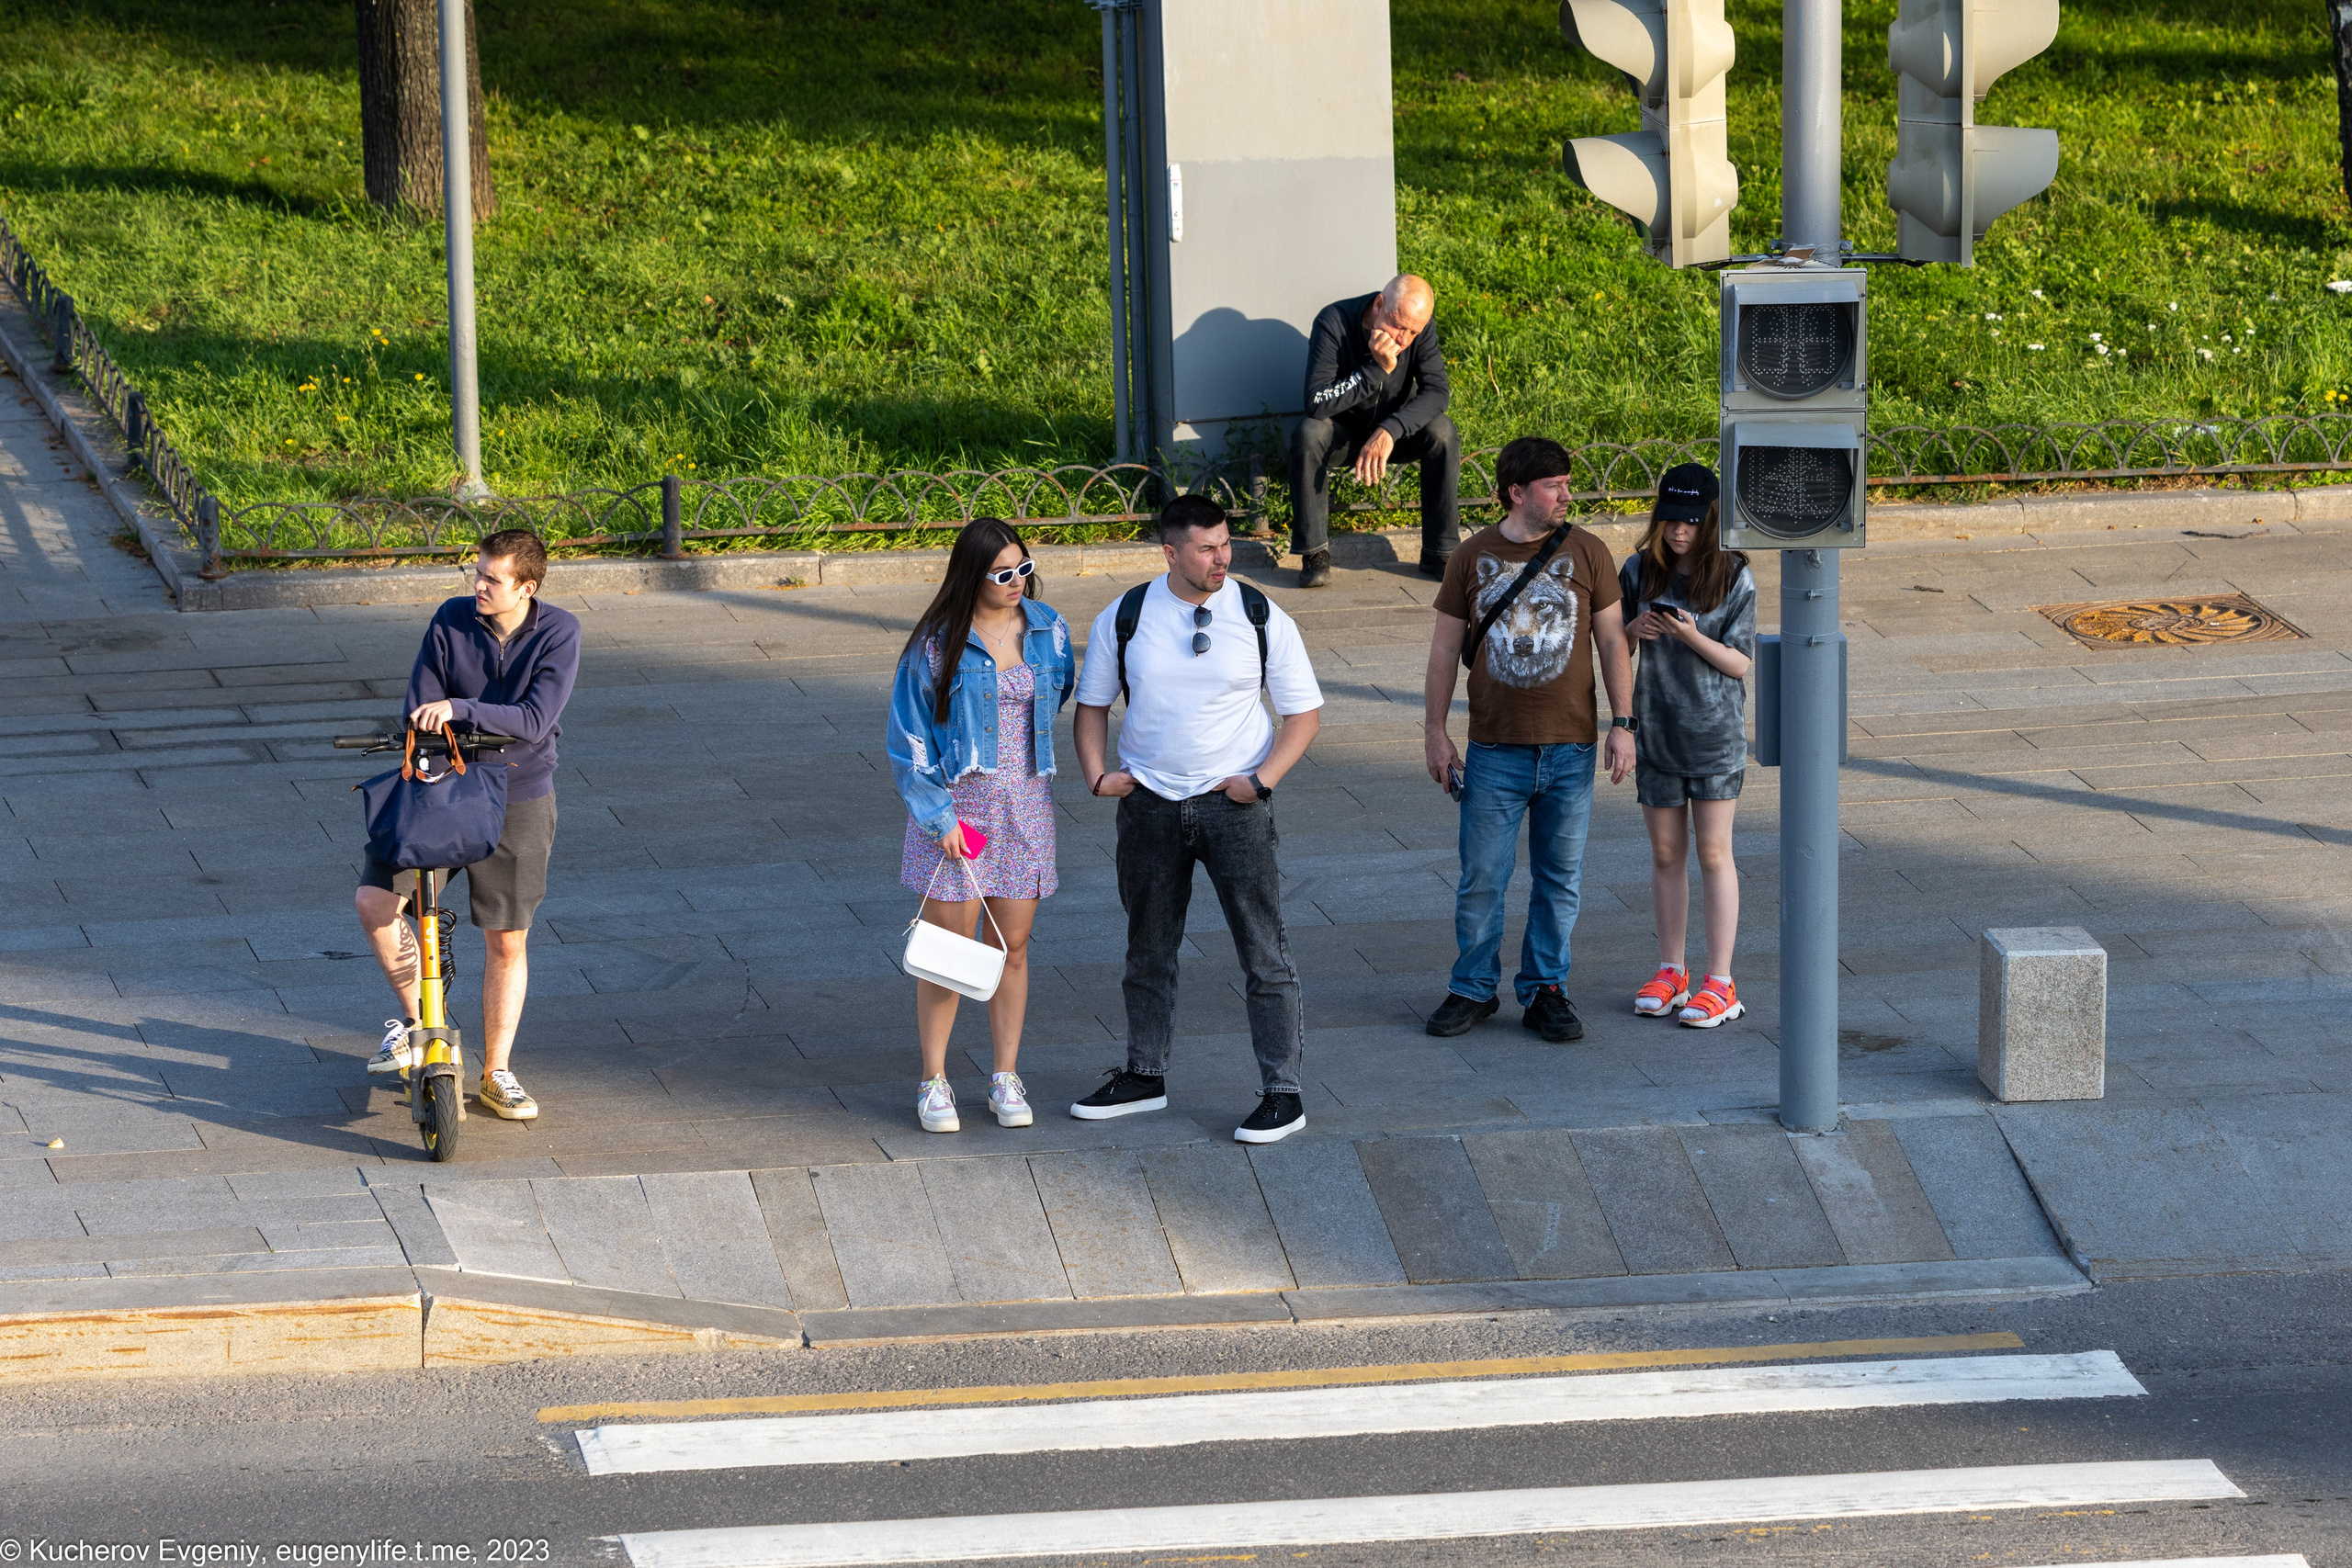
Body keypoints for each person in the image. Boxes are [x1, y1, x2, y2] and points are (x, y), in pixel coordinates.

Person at [1070, 493, 1324, 1143]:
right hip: (1149, 804)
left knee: (1264, 951)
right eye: (1207, 547)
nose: (1222, 557)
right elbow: (1092, 705)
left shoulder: (1260, 613)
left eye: (1226, 543)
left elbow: (1304, 715)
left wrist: (1260, 783)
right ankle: (1144, 1073)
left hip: (1233, 805)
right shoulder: (1126, 615)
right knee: (1147, 947)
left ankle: (1283, 1091)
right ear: (1170, 552)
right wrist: (1099, 775)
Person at [358, 529, 581, 1120]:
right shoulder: (452, 619)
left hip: (519, 794)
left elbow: (533, 720)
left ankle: (496, 1071)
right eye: (475, 573)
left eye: (491, 579)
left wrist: (461, 708)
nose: (476, 586)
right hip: (442, 787)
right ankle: (418, 1025)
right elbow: (420, 705)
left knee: (507, 939)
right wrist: (445, 724)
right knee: (376, 903)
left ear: (526, 588)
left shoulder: (559, 632)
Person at [1419, 436, 1634, 1043]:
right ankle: (1472, 988)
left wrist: (1624, 722)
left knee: (1559, 876)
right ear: (1516, 492)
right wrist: (1435, 733)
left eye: (1567, 483)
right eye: (1554, 485)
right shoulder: (1471, 556)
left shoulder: (1589, 551)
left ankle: (1546, 987)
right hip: (1494, 749)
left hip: (1571, 748)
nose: (1568, 494)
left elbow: (1613, 641)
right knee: (1482, 876)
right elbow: (1442, 652)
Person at [888, 519, 1077, 1134]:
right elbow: (907, 738)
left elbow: (1058, 693)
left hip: (1026, 807)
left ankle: (1004, 1073)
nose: (1017, 581)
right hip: (960, 813)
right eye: (1002, 574)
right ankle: (934, 1078)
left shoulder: (1049, 629)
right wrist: (938, 816)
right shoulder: (936, 644)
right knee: (951, 953)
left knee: (1012, 946)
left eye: (1023, 568)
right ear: (973, 575)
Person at [1620, 465, 1757, 1029]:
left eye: (1692, 522)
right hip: (1655, 731)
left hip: (1715, 738)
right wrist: (1635, 632)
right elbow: (1611, 647)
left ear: (1711, 521)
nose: (1679, 532)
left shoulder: (1734, 576)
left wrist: (1688, 633)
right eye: (1672, 521)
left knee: (1714, 853)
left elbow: (1740, 662)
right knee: (1666, 855)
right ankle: (1671, 969)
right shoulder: (1637, 571)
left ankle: (1720, 982)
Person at [1290, 273, 1458, 590]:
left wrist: (1390, 429)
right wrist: (1375, 371)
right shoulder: (1334, 322)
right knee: (1309, 433)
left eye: (1413, 331)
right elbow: (1315, 401)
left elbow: (1438, 392)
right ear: (1379, 304)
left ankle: (1440, 551)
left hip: (1392, 435)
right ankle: (1314, 553)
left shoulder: (1416, 327)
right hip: (1343, 434)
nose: (1403, 339)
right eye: (1397, 325)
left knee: (1443, 432)